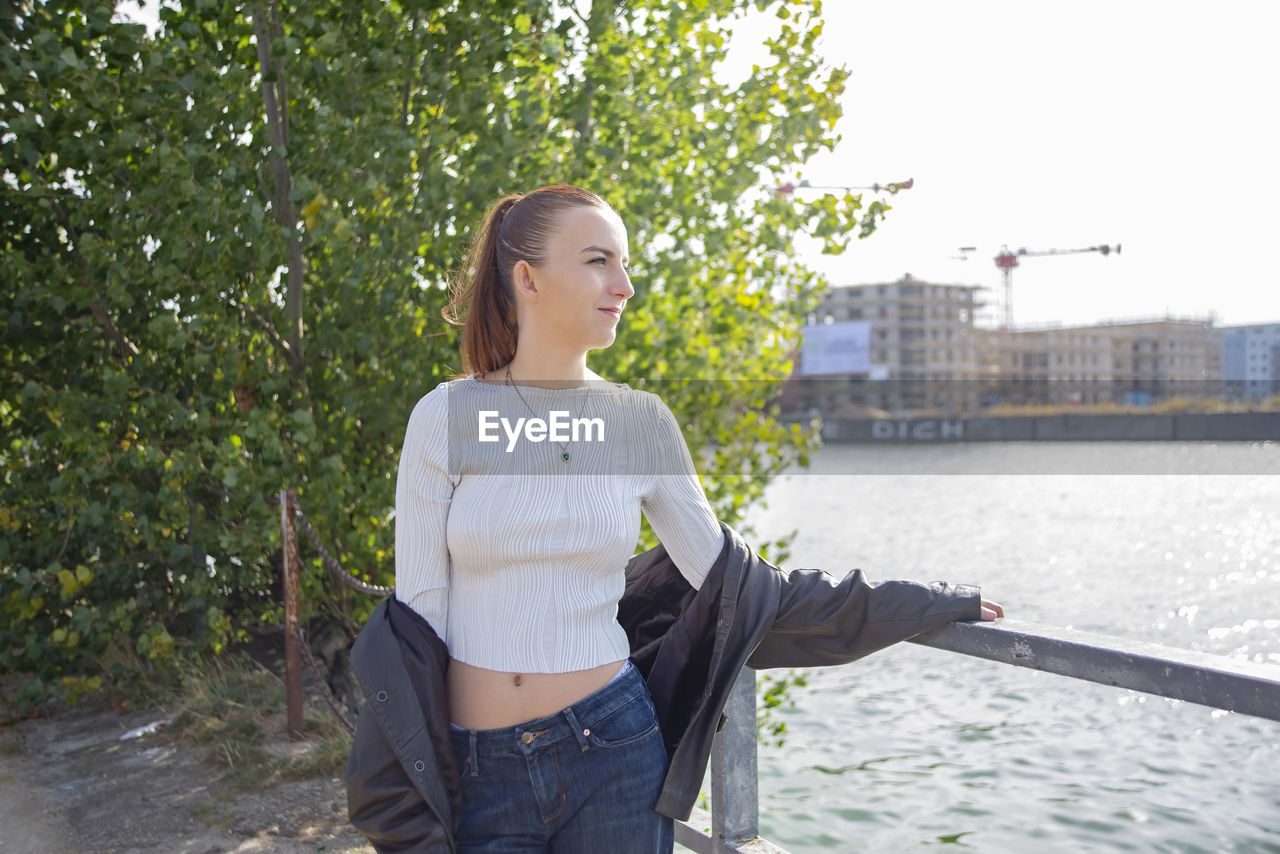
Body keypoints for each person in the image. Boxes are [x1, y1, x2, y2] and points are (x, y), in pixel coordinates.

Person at [345, 184, 1004, 853]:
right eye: (599, 260)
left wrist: (932, 602)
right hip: (478, 768)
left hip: (613, 754)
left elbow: (742, 586)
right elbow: (415, 633)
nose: (624, 285)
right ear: (527, 278)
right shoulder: (444, 419)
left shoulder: (640, 424)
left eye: (626, 265)